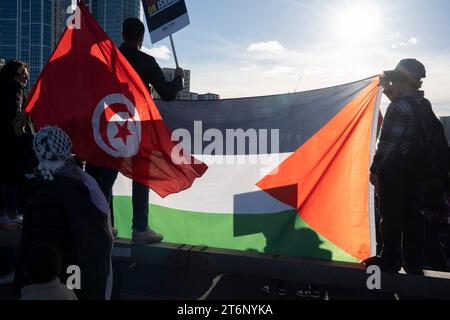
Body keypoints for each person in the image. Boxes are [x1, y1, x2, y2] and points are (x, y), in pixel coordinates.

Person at [96, 18, 185, 244]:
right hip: (137, 127)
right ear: (141, 38)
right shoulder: (146, 61)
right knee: (141, 176)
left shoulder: (108, 58)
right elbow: (167, 93)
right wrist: (178, 79)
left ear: (123, 34)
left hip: (109, 125)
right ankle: (140, 228)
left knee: (105, 177)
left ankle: (105, 225)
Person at [365, 59, 448, 275]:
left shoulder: (398, 107)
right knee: (413, 215)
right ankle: (413, 261)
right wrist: (386, 91)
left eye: (396, 80)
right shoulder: (422, 104)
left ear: (403, 81)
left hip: (395, 171)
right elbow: (405, 106)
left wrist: (374, 170)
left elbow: (386, 145)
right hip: (416, 170)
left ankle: (390, 258)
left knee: (390, 216)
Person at [16, 127, 113, 300]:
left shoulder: (48, 193)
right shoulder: (84, 182)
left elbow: (42, 251)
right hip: (89, 277)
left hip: (60, 283)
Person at [0, 60, 30, 230]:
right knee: (11, 177)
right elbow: (16, 114)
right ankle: (11, 214)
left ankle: (4, 213)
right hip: (11, 142)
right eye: (23, 75)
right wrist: (25, 137)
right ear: (16, 74)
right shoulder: (16, 88)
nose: (26, 79)